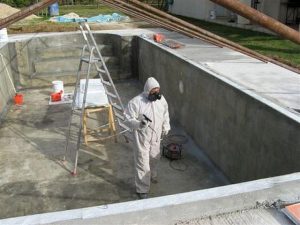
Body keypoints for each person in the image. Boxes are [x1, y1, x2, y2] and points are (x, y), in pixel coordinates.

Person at [124, 77, 170, 199]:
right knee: (142, 163)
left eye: (157, 91)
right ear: (147, 91)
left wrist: (166, 126)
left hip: (156, 136)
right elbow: (127, 119)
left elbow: (165, 114)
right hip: (142, 137)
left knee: (155, 157)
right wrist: (138, 124)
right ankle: (142, 189)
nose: (156, 94)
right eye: (153, 91)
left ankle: (152, 175)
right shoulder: (136, 102)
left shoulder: (161, 100)